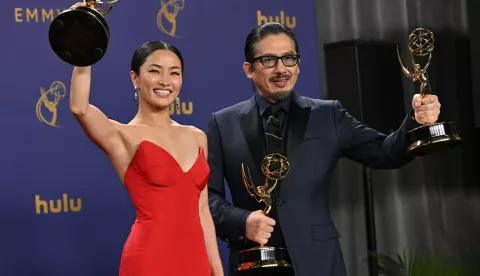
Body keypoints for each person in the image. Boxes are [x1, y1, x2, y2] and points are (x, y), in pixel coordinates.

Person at [206, 22, 441, 276]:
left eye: (289, 58)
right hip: (253, 261)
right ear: (248, 69)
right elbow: (207, 198)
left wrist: (416, 121)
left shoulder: (329, 114)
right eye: (268, 60)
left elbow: (384, 151)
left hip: (318, 262)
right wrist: (243, 222)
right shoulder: (223, 123)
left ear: (298, 64)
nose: (281, 68)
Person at [68, 10, 224, 275]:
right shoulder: (123, 136)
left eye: (174, 73)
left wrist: (216, 269)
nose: (165, 81)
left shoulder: (198, 136)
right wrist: (84, 46)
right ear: (135, 79)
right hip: (149, 259)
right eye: (154, 71)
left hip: (195, 261)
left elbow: (202, 212)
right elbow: (79, 108)